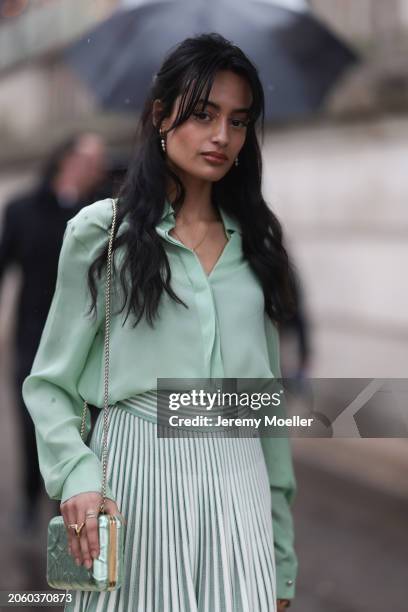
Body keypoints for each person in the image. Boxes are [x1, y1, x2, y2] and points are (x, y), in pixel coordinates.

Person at [22, 34, 298, 611]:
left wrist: (281, 563)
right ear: (160, 116)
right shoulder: (102, 233)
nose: (222, 136)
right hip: (134, 483)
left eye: (239, 121)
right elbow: (49, 382)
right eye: (203, 114)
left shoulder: (259, 246)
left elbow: (264, 411)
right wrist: (76, 476)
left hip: (239, 484)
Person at [0, 132, 107, 530]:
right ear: (66, 159)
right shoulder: (23, 209)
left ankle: (66, 501)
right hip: (33, 333)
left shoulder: (103, 213)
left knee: (84, 425)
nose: (94, 168)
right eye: (87, 159)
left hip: (87, 338)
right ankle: (30, 498)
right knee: (33, 420)